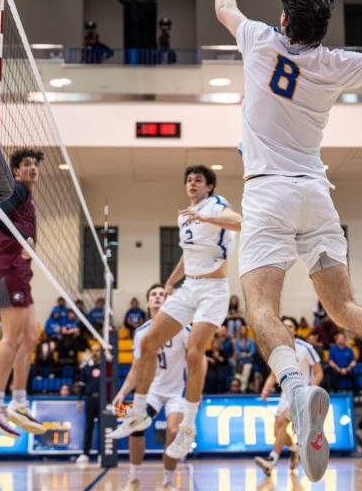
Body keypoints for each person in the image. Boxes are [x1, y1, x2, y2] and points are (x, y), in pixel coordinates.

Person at [214, 0, 362, 481]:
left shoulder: (256, 38)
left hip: (269, 192)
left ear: (283, 20)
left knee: (263, 310)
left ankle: (297, 392)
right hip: (316, 195)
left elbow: (223, 7)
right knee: (343, 307)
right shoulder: (339, 62)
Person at [107, 165, 241, 467]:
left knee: (195, 355)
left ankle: (187, 429)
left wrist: (208, 217)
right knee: (149, 341)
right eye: (189, 180)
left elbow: (239, 222)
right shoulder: (183, 216)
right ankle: (138, 411)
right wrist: (170, 281)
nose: (192, 183)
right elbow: (187, 255)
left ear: (209, 186)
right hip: (188, 286)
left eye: (198, 180)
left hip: (214, 289)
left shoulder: (216, 206)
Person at [0, 149, 47, 438]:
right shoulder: (18, 190)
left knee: (31, 335)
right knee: (12, 337)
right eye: (26, 164)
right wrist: (20, 243)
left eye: (34, 164)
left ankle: (18, 402)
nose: (32, 168)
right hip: (9, 271)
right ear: (17, 171)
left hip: (18, 272)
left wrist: (17, 247)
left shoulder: (28, 201)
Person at [112, 284, 189, 490]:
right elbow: (136, 369)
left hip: (177, 391)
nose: (157, 297)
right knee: (135, 426)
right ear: (147, 302)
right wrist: (122, 393)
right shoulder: (141, 333)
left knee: (173, 432)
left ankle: (169, 481)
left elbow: (195, 362)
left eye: (161, 294)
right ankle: (134, 477)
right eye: (153, 295)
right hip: (152, 390)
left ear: (167, 300)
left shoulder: (182, 328)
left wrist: (194, 394)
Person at [255, 317, 322, 475]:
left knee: (281, 422)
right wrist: (266, 389)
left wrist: (309, 392)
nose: (286, 329)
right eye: (283, 326)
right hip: (284, 395)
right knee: (277, 430)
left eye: (290, 326)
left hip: (301, 394)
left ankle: (271, 460)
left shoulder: (305, 348)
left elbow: (319, 373)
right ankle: (293, 449)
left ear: (295, 330)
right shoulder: (278, 350)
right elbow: (273, 374)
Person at [77, 348, 103, 463]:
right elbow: (82, 385)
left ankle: (101, 454)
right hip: (90, 399)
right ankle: (85, 453)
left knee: (103, 428)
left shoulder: (105, 367)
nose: (95, 353)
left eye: (97, 351)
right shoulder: (86, 368)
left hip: (102, 401)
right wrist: (79, 400)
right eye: (93, 351)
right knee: (88, 427)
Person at [233, 324, 256, 391]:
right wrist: (241, 354)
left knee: (245, 376)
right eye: (241, 329)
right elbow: (236, 350)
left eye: (244, 329)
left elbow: (253, 350)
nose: (243, 331)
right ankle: (237, 390)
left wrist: (248, 354)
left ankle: (242, 390)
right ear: (240, 331)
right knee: (238, 376)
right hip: (240, 361)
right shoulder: (237, 340)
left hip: (248, 360)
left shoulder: (250, 339)